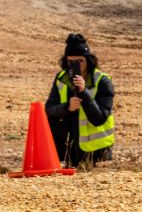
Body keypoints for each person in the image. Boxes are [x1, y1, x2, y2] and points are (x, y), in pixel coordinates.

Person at [44, 33, 115, 168]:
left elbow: (99, 118)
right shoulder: (61, 78)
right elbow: (49, 109)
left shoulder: (102, 81)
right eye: (71, 62)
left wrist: (84, 93)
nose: (75, 65)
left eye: (80, 61)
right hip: (68, 150)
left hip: (95, 153)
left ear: (88, 60)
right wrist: (67, 107)